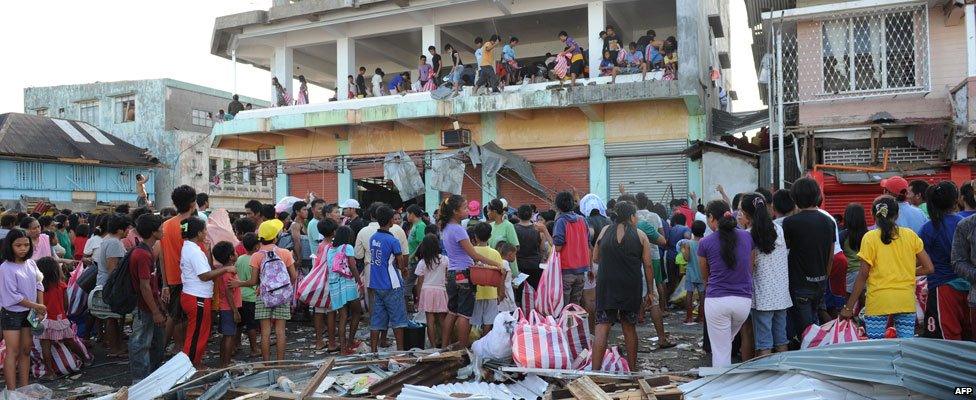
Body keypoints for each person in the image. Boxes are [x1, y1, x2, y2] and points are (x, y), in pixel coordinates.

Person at [842, 196, 934, 338]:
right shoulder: (910, 235)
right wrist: (908, 271)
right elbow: (929, 268)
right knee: (905, 347)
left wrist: (848, 307)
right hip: (905, 300)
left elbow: (863, 275)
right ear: (897, 215)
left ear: (873, 215)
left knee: (876, 348)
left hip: (878, 301)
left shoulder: (870, 238)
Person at [590, 201, 663, 371]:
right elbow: (648, 265)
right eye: (635, 215)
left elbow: (595, 258)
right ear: (631, 216)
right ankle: (632, 370)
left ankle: (594, 372)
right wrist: (650, 292)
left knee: (602, 326)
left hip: (606, 284)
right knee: (629, 326)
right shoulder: (640, 235)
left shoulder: (605, 231)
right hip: (630, 285)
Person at [438, 195, 503, 349]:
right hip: (464, 274)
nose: (468, 210)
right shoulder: (458, 229)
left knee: (452, 312)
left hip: (453, 273)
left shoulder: (447, 228)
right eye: (465, 207)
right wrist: (497, 264)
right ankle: (462, 348)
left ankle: (444, 347)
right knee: (464, 315)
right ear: (455, 211)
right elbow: (473, 254)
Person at [697, 200, 754, 368]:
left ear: (712, 217)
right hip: (743, 302)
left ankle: (720, 390)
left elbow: (704, 274)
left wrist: (710, 285)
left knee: (721, 350)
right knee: (724, 342)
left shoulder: (705, 243)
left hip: (717, 301)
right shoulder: (747, 237)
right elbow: (749, 267)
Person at [782, 177, 836, 345]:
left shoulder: (790, 223)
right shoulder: (828, 221)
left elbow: (784, 252)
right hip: (820, 283)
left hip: (799, 284)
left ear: (795, 197)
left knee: (806, 333)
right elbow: (831, 255)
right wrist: (824, 278)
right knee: (814, 328)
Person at [235, 220, 298, 361]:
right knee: (280, 332)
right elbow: (294, 276)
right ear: (275, 237)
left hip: (263, 296)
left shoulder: (256, 256)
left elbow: (253, 281)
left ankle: (266, 364)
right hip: (282, 296)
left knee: (265, 332)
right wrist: (283, 288)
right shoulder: (285, 253)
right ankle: (280, 363)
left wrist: (239, 283)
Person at [739, 193, 791, 357]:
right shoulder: (779, 230)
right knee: (782, 340)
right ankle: (784, 375)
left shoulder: (748, 235)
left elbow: (749, 266)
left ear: (747, 215)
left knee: (764, 343)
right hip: (781, 295)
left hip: (762, 297)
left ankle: (766, 379)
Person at [179, 217, 235, 367]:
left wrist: (208, 251)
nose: (206, 232)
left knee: (200, 334)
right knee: (195, 335)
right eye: (204, 230)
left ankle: (195, 363)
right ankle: (189, 367)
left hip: (198, 296)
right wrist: (225, 269)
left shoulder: (193, 247)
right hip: (196, 297)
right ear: (198, 233)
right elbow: (204, 276)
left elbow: (206, 269)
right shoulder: (193, 251)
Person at [919, 182, 971, 340]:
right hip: (969, 286)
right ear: (956, 200)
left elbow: (918, 261)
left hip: (943, 288)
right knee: (969, 334)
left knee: (947, 337)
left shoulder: (928, 228)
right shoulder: (965, 223)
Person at [0, 228, 46, 390]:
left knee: (26, 349)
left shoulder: (31, 263)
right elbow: (13, 296)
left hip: (30, 313)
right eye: (18, 245)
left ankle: (24, 388)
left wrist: (40, 307)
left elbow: (39, 283)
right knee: (12, 352)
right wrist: (38, 306)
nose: (23, 248)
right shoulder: (5, 268)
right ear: (9, 246)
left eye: (26, 245)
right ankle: (12, 391)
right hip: (11, 313)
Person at [128, 214, 166, 383]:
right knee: (141, 344)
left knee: (156, 342)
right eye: (160, 228)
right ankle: (140, 381)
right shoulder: (143, 255)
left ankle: (153, 377)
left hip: (150, 306)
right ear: (153, 232)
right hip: (145, 308)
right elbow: (145, 287)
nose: (163, 230)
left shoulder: (146, 251)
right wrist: (155, 311)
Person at [161, 185, 199, 354]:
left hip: (172, 277)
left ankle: (169, 348)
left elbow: (161, 256)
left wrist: (165, 283)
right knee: (184, 318)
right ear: (193, 203)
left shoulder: (166, 225)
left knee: (175, 316)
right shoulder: (190, 226)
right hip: (190, 279)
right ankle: (180, 349)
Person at [367, 205, 408, 352]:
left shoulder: (373, 238)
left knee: (377, 319)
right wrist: (403, 269)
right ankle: (401, 351)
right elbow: (400, 260)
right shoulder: (393, 241)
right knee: (398, 319)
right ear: (391, 220)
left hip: (376, 283)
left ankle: (373, 351)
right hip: (392, 284)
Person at [36, 257, 83, 381]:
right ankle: (84, 359)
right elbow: (66, 304)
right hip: (60, 319)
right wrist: (63, 313)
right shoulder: (61, 285)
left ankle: (50, 372)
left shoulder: (39, 288)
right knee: (70, 341)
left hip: (45, 321)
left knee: (45, 347)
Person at [324, 223, 363, 355]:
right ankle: (350, 341)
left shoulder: (330, 249)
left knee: (343, 316)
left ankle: (342, 349)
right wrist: (359, 281)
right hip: (347, 283)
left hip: (334, 285)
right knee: (357, 311)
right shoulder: (348, 247)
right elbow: (352, 266)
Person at [93, 213, 129, 356]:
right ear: (120, 230)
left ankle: (116, 346)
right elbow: (112, 269)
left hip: (106, 283)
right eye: (127, 228)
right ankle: (115, 349)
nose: (128, 231)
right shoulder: (114, 243)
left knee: (112, 317)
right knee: (112, 317)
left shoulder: (108, 241)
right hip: (110, 285)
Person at [553, 192, 591, 307]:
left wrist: (545, 231)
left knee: (564, 307)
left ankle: (566, 325)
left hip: (566, 270)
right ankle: (574, 325)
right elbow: (588, 242)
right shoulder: (582, 220)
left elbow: (557, 247)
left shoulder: (561, 221)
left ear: (558, 206)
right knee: (575, 306)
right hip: (581, 270)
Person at [414, 234, 449, 348]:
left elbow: (419, 282)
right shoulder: (444, 259)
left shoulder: (422, 262)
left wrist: (418, 297)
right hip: (440, 290)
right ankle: (445, 345)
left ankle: (433, 346)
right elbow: (448, 276)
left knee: (430, 320)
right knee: (443, 319)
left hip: (426, 291)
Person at [211, 241, 241, 367]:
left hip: (225, 307)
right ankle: (225, 364)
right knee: (229, 336)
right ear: (230, 256)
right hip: (229, 308)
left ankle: (224, 362)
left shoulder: (224, 271)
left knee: (227, 336)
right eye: (234, 252)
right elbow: (229, 294)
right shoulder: (228, 273)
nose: (236, 253)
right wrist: (235, 311)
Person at [471, 223, 504, 334]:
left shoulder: (471, 251)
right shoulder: (495, 253)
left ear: (475, 236)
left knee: (472, 320)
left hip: (474, 292)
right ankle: (485, 341)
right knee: (488, 322)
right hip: (491, 292)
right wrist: (500, 293)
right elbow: (500, 275)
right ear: (490, 236)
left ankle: (470, 343)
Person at [235, 233, 261, 357]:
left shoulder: (240, 259)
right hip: (252, 296)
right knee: (251, 325)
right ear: (257, 246)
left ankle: (236, 344)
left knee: (239, 323)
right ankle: (254, 348)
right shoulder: (256, 260)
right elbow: (255, 280)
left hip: (239, 296)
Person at [515, 205, 547, 290]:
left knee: (519, 293)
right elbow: (543, 248)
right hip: (535, 264)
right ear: (531, 214)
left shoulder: (514, 229)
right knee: (536, 292)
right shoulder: (538, 229)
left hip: (519, 265)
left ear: (518, 215)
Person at [680, 221, 706, 325]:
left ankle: (689, 317)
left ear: (692, 231)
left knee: (689, 295)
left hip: (691, 273)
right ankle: (701, 316)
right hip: (702, 272)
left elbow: (686, 258)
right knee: (702, 296)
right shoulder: (705, 242)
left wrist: (683, 251)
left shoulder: (688, 243)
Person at [840, 204, 868, 296]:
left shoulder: (843, 235)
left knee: (849, 304)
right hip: (867, 273)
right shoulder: (868, 235)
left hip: (850, 274)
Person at [487, 199, 519, 276]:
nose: (487, 214)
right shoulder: (490, 226)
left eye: (488, 211)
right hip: (494, 266)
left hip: (508, 269)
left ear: (494, 211)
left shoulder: (508, 226)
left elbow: (516, 247)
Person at [495, 241, 518, 313]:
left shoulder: (500, 262)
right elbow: (501, 279)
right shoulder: (504, 263)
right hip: (506, 297)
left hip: (505, 294)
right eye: (515, 254)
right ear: (510, 254)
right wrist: (501, 294)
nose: (515, 256)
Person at [289, 201, 312, 274]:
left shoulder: (305, 222)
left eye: (307, 210)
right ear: (297, 212)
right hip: (300, 258)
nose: (307, 212)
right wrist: (299, 258)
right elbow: (296, 242)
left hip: (307, 256)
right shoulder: (295, 225)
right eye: (304, 210)